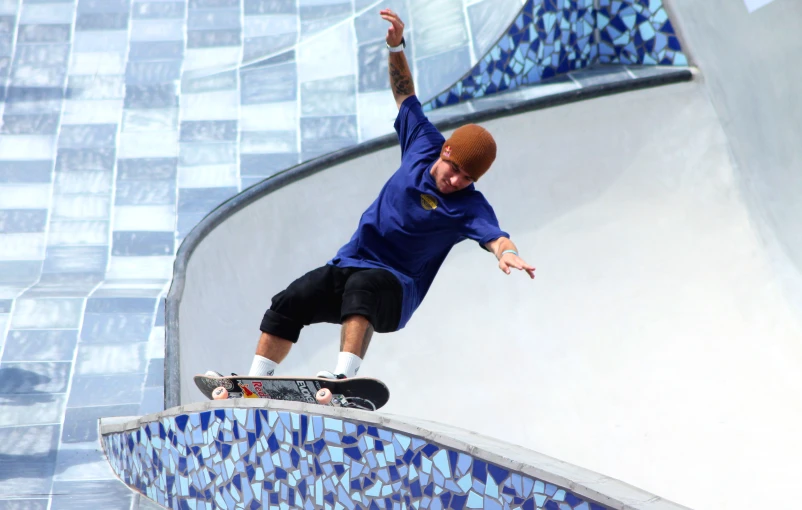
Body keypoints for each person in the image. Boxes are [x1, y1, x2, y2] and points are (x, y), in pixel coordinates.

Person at [214, 8, 535, 381]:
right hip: (350, 263)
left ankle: (344, 380)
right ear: (446, 151)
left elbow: (496, 236)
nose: (456, 181)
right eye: (455, 169)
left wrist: (508, 254)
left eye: (467, 178)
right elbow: (405, 95)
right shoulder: (423, 143)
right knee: (291, 300)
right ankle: (254, 381)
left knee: (363, 289)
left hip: (396, 290)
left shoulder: (470, 206)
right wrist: (396, 45)